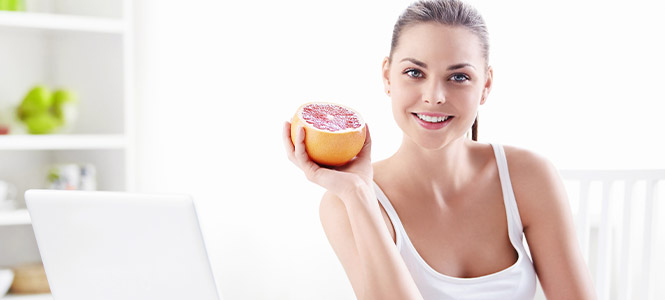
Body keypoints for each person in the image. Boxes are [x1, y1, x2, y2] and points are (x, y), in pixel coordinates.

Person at [283, 0, 596, 299]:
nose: (434, 96)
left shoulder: (528, 177)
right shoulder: (347, 202)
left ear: (485, 86)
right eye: (415, 72)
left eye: (458, 76)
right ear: (387, 76)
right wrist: (359, 195)